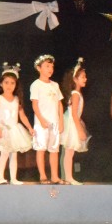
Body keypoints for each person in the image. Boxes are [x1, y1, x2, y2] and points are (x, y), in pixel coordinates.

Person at [0, 63, 33, 185]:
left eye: (12, 83)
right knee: (4, 153)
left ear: (15, 85)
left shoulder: (17, 99)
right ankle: (0, 177)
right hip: (3, 129)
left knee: (14, 155)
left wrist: (29, 127)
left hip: (14, 130)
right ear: (1, 84)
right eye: (6, 82)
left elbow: (22, 116)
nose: (9, 86)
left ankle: (13, 178)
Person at [30, 54, 64, 184]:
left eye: (52, 67)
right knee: (41, 149)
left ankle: (54, 176)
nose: (50, 69)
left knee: (54, 149)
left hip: (54, 122)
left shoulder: (55, 85)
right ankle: (43, 176)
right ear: (39, 68)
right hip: (41, 123)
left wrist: (61, 121)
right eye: (47, 66)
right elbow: (35, 104)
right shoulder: (36, 85)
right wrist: (41, 120)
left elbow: (59, 104)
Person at [61, 58, 90, 185]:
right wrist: (80, 130)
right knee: (69, 152)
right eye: (82, 77)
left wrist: (81, 123)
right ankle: (68, 177)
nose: (85, 79)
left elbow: (76, 113)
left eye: (85, 77)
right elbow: (73, 114)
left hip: (74, 122)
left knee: (69, 152)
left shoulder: (77, 93)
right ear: (75, 79)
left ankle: (68, 176)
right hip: (71, 124)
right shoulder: (76, 94)